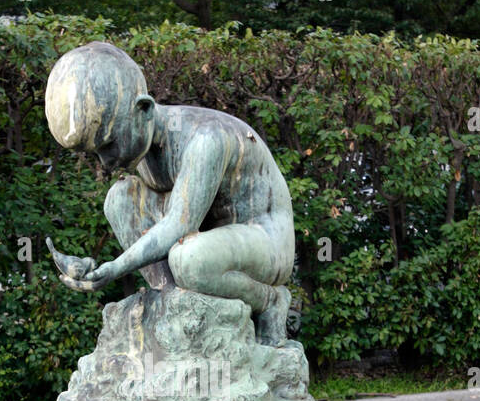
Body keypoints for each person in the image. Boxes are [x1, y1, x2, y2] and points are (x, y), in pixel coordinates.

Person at [43, 42, 295, 345]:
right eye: (96, 153)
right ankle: (170, 300)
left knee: (190, 260)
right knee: (120, 199)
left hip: (264, 238)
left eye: (109, 146)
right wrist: (97, 268)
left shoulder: (206, 138)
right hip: (210, 237)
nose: (106, 163)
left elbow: (180, 223)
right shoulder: (144, 147)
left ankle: (269, 301)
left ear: (144, 109)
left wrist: (113, 268)